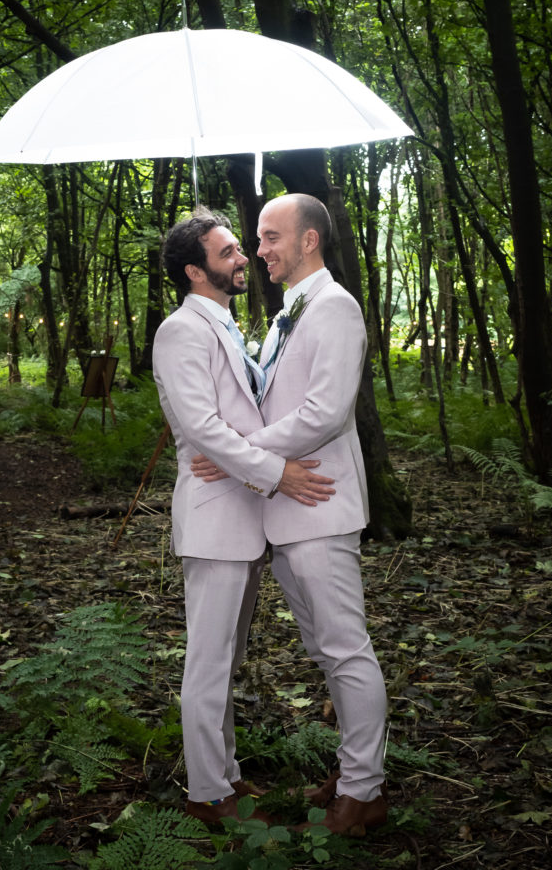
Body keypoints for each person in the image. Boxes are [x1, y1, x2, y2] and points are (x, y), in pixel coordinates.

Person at [191, 193, 388, 836]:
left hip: (322, 503)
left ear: (308, 241)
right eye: (255, 238)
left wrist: (241, 456)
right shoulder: (284, 318)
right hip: (286, 510)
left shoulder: (334, 308)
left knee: (346, 650)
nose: (260, 250)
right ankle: (354, 767)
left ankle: (363, 794)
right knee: (323, 649)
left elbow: (326, 413)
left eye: (271, 237)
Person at [152, 207, 335, 827]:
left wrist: (242, 459)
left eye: (242, 247)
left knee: (227, 659)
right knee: (208, 661)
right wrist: (273, 470)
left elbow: (241, 417)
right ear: (194, 271)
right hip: (212, 517)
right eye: (228, 251)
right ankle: (206, 793)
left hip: (243, 512)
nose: (244, 258)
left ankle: (225, 774)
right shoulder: (181, 330)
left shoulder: (229, 326)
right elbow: (203, 427)